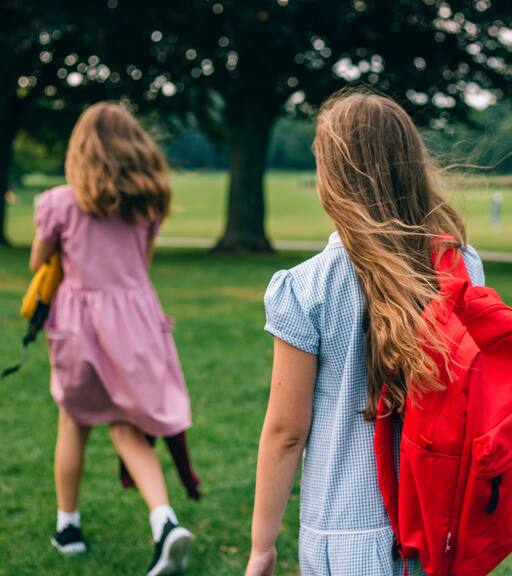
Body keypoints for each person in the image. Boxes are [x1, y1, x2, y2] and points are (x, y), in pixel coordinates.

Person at [245, 90, 485, 576]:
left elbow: (287, 432)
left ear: (332, 179)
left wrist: (261, 546)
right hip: (438, 525)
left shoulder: (306, 288)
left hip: (343, 532)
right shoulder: (461, 265)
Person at [31, 103, 194, 575]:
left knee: (73, 421)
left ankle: (68, 528)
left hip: (79, 329)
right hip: (136, 325)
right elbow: (140, 266)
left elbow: (39, 264)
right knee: (126, 425)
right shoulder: (147, 204)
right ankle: (164, 522)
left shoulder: (59, 203)